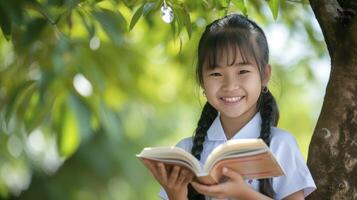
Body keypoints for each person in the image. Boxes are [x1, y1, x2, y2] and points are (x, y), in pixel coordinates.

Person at [142, 13, 316, 200]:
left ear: (265, 75)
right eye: (216, 74)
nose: (230, 85)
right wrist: (175, 194)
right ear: (202, 80)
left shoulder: (281, 144)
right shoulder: (186, 151)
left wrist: (243, 194)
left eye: (242, 71)